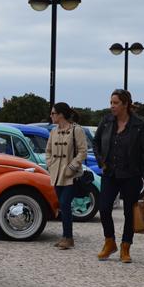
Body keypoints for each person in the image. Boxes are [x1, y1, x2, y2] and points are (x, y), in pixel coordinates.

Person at [93, 89, 144, 263]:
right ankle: (109, 242)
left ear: (125, 104)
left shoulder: (139, 125)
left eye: (115, 103)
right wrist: (100, 160)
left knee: (130, 212)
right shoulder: (106, 121)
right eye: (111, 102)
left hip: (131, 174)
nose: (112, 106)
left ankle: (125, 247)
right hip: (110, 172)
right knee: (104, 208)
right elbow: (96, 142)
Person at [45, 102, 87, 250]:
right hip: (56, 174)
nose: (51, 116)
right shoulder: (53, 132)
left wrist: (72, 167)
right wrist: (50, 164)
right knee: (63, 206)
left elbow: (83, 151)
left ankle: (68, 237)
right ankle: (65, 236)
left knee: (64, 203)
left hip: (71, 175)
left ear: (61, 114)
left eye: (53, 113)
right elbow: (48, 151)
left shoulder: (77, 130)